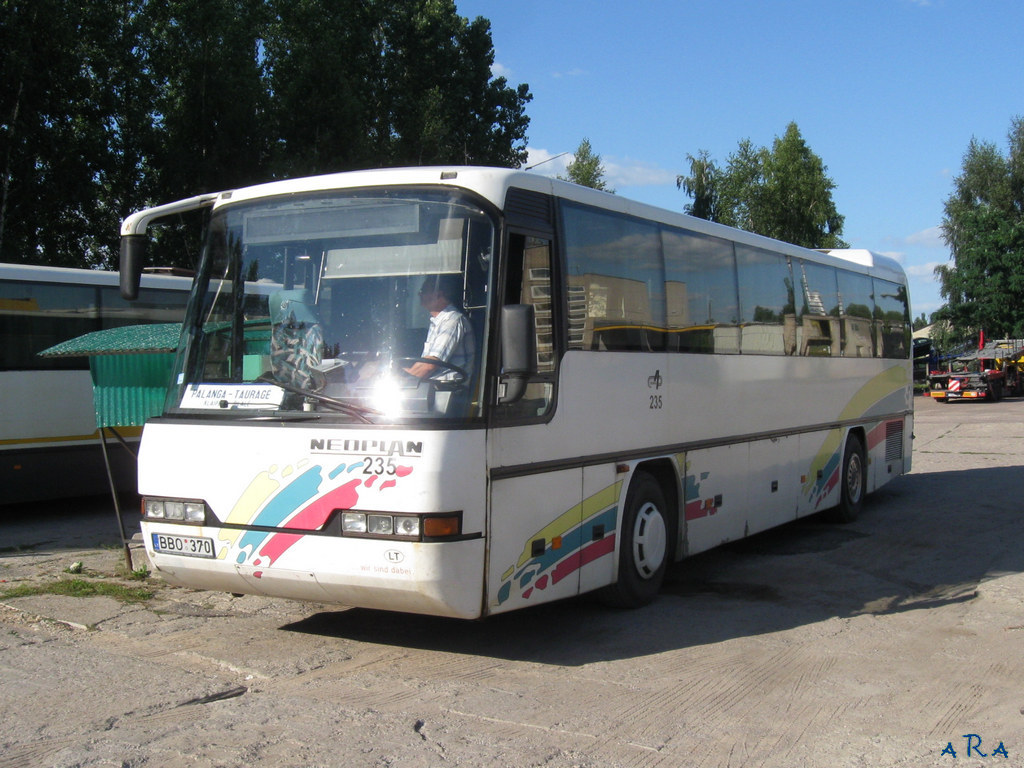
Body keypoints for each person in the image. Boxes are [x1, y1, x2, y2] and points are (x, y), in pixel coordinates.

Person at [404, 274, 474, 382]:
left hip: (448, 393)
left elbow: (430, 365)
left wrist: (402, 379)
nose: (419, 294)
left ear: (439, 295)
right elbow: (426, 362)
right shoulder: (438, 321)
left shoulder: (451, 320)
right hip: (432, 390)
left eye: (423, 290)